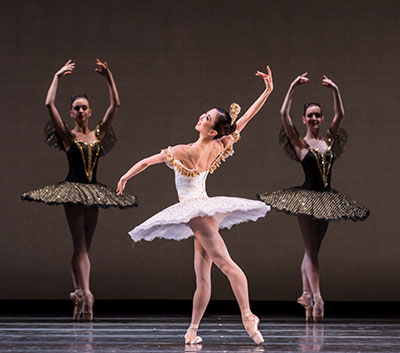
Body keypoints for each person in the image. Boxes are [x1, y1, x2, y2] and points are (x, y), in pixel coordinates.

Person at [116, 66, 273, 345]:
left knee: (226, 264)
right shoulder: (217, 146)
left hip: (197, 212)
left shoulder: (182, 151)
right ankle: (192, 331)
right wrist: (267, 91)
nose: (202, 117)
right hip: (199, 211)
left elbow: (145, 162)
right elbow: (245, 119)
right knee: (203, 278)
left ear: (211, 131)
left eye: (207, 117)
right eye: (204, 114)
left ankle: (249, 317)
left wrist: (126, 176)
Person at [21, 59, 137, 321]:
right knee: (81, 245)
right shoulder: (67, 136)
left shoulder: (98, 134)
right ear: (72, 113)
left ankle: (79, 295)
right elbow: (49, 104)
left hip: (93, 192)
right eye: (77, 108)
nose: (81, 111)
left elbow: (115, 105)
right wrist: (56, 76)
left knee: (83, 247)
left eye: (84, 107)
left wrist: (109, 77)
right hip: (72, 191)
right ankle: (87, 294)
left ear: (89, 111)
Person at [258, 73, 369, 322]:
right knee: (311, 252)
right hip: (307, 200)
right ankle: (317, 298)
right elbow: (283, 115)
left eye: (318, 115)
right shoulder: (299, 143)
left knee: (312, 251)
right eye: (311, 116)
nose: (316, 119)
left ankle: (306, 295)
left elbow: (340, 115)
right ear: (305, 120)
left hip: (326, 200)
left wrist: (336, 89)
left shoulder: (328, 140)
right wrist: (291, 86)